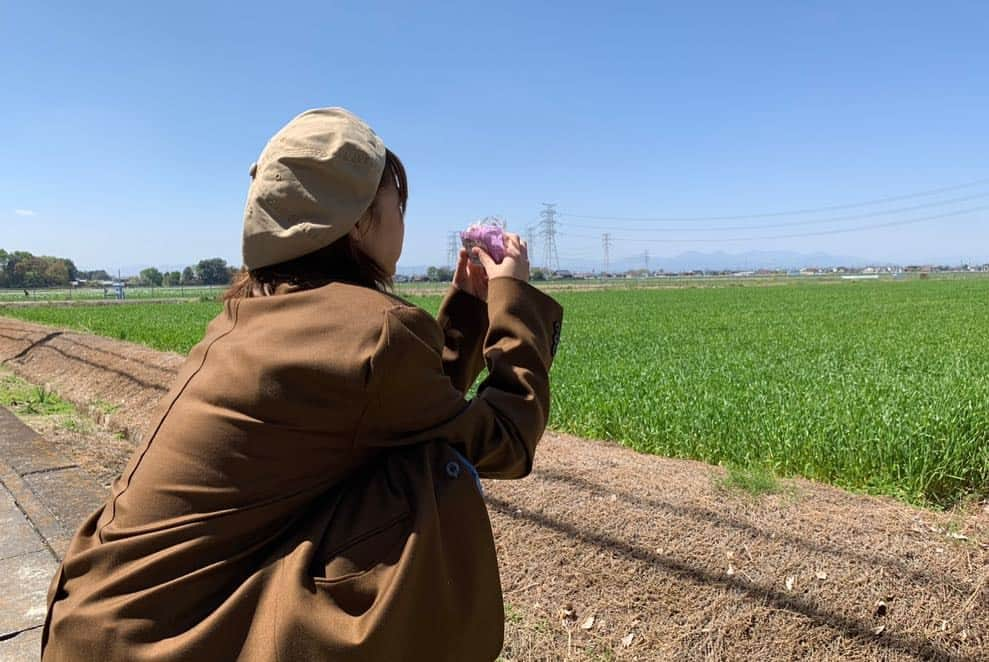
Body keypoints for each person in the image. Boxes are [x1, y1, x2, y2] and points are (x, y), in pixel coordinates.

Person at [41, 107, 564, 661]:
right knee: (438, 474)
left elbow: (398, 407)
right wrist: (513, 302)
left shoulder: (256, 312)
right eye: (396, 205)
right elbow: (504, 438)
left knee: (404, 452)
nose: (402, 222)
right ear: (359, 221)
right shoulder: (373, 329)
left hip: (96, 624)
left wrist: (467, 308)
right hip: (162, 643)